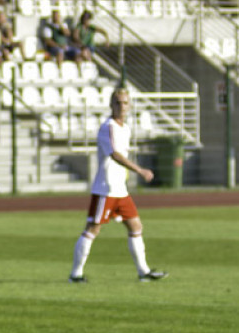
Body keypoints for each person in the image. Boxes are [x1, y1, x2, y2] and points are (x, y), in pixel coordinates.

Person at [69, 88, 168, 284]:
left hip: (120, 190)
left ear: (129, 106)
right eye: (117, 103)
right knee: (92, 229)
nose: (121, 107)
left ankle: (143, 272)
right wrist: (139, 170)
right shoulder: (108, 127)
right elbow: (115, 155)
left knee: (135, 225)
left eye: (125, 103)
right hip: (105, 189)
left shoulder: (126, 128)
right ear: (111, 105)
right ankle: (75, 275)